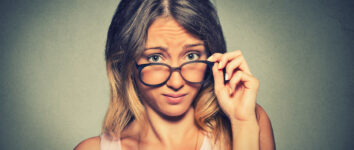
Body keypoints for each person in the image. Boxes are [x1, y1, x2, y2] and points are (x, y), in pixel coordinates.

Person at [75, 0, 275, 149]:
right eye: (155, 58)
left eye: (191, 55)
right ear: (126, 64)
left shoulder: (249, 120)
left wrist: (242, 124)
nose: (176, 81)